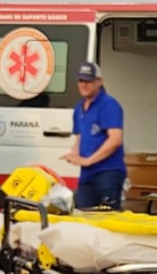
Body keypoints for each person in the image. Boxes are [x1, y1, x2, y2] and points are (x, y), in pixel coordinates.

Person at [61, 62, 126, 210]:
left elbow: (115, 139)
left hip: (108, 173)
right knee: (82, 216)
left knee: (107, 220)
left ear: (99, 81)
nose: (84, 85)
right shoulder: (79, 107)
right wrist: (74, 154)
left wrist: (88, 160)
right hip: (87, 175)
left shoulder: (109, 105)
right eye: (81, 80)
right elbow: (80, 137)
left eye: (88, 81)